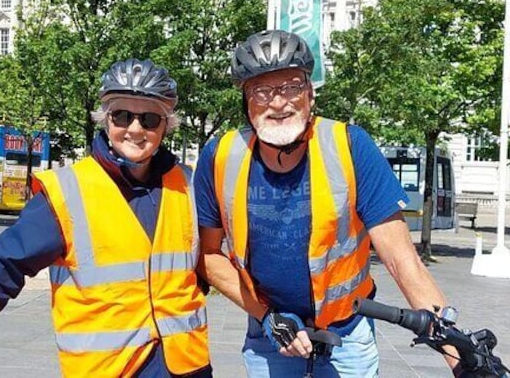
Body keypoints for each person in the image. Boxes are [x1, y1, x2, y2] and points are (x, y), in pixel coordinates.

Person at [0, 59, 212, 377]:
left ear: (166, 126)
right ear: (104, 119)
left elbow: (202, 262)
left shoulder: (185, 184)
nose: (135, 129)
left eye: (150, 118)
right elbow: (5, 265)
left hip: (187, 366)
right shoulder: (67, 192)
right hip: (109, 369)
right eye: (122, 115)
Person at [195, 30, 459, 377]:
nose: (278, 103)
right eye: (262, 91)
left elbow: (401, 259)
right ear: (246, 103)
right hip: (269, 333)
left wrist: (457, 355)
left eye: (291, 86)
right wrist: (267, 315)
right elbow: (208, 255)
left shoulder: (349, 146)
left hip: (346, 333)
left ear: (310, 95)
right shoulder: (221, 156)